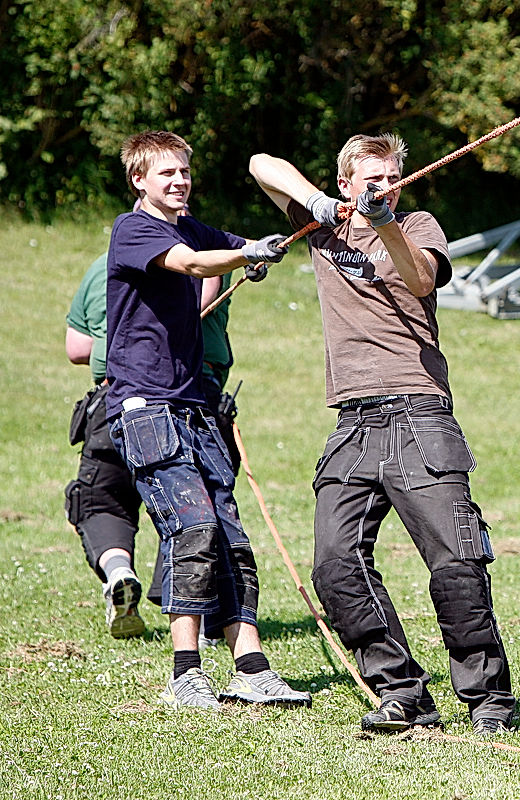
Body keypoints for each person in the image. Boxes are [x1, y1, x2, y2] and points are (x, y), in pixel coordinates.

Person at [248, 134, 515, 736]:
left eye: (391, 176)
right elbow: (262, 162)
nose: (381, 185)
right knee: (335, 566)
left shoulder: (418, 222)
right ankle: (402, 694)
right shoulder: (325, 226)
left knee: (456, 563)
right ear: (345, 182)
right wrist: (316, 204)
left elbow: (422, 280)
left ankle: (487, 701)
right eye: (369, 179)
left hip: (420, 415)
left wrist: (384, 219)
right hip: (352, 423)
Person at [105, 129, 310, 710]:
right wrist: (247, 254)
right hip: (145, 408)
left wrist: (287, 235)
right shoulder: (133, 230)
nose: (179, 181)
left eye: (184, 172)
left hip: (194, 405)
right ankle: (185, 676)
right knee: (191, 526)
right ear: (139, 180)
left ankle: (251, 668)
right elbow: (194, 264)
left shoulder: (192, 225)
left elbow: (234, 244)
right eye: (165, 173)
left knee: (231, 536)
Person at [65, 248, 242, 641]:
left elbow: (76, 347)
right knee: (192, 507)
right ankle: (200, 619)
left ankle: (118, 573)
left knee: (101, 500)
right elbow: (202, 299)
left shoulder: (102, 264)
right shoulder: (201, 256)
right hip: (188, 398)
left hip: (111, 404)